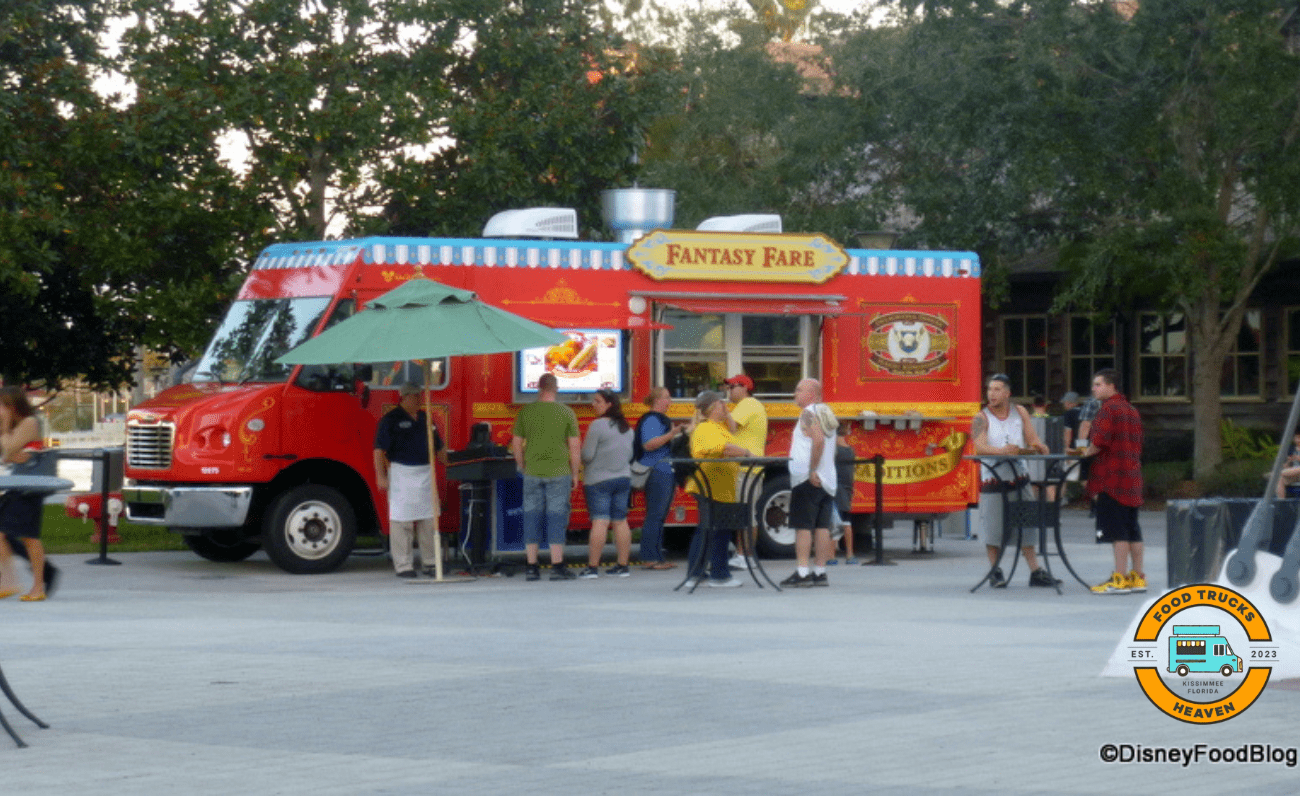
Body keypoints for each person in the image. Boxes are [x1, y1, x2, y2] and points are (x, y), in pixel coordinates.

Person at [971, 373, 1057, 588]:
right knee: (994, 527)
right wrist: (1000, 451)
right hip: (994, 477)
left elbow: (1031, 437)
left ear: (1008, 393)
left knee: (1026, 524)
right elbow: (979, 446)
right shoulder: (981, 417)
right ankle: (995, 571)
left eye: (997, 389)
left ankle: (1035, 571)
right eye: (990, 389)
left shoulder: (1019, 412)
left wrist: (1039, 445)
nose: (992, 394)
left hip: (1019, 476)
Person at [511, 372, 581, 581]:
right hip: (559, 472)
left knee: (531, 515)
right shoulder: (567, 412)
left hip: (532, 472)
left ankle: (531, 566)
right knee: (556, 517)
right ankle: (557, 565)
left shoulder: (526, 412)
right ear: (556, 389)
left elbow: (516, 443)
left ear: (538, 388)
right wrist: (575, 473)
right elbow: (574, 446)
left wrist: (522, 464)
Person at [374, 383, 448, 578]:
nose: (419, 399)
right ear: (404, 397)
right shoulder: (390, 420)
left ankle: (431, 562)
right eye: (415, 396)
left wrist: (454, 461)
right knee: (401, 522)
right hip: (401, 474)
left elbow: (439, 447)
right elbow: (378, 450)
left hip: (425, 473)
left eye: (419, 396)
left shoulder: (426, 418)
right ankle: (403, 564)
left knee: (429, 520)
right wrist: (380, 476)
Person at [1086, 368, 1146, 595]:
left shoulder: (1108, 409)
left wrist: (1084, 453)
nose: (1094, 389)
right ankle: (1138, 577)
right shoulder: (1132, 410)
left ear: (1111, 386)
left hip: (1111, 477)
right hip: (1132, 475)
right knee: (1133, 529)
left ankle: (1119, 578)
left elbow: (1098, 441)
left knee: (1117, 531)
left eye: (1098, 384)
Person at [685, 391, 749, 588]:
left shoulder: (716, 426)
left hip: (719, 488)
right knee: (716, 530)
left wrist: (727, 413)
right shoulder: (705, 428)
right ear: (713, 407)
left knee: (710, 529)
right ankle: (719, 574)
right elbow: (719, 448)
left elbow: (731, 430)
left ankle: (697, 573)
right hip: (711, 487)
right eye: (722, 403)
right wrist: (745, 452)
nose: (726, 406)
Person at [0, 387, 57, 601]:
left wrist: (5, 429)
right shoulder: (17, 426)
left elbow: (7, 450)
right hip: (17, 486)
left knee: (30, 538)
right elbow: (8, 454)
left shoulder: (29, 423)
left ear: (12, 406)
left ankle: (37, 587)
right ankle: (9, 582)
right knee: (3, 535)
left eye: (2, 405)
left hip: (29, 489)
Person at [781, 379, 839, 588]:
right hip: (828, 480)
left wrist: (812, 469)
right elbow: (832, 446)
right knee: (822, 526)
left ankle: (803, 572)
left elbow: (818, 440)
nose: (794, 394)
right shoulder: (827, 413)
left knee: (803, 526)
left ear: (812, 393)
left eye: (799, 390)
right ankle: (820, 572)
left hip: (808, 479)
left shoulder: (808, 413)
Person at [579, 390, 635, 578]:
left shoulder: (597, 425)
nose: (594, 404)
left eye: (598, 401)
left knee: (600, 521)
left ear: (609, 404)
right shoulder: (627, 428)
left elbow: (587, 455)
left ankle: (593, 568)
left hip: (598, 480)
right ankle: (623, 565)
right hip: (623, 478)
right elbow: (629, 455)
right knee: (620, 521)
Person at [634, 387, 685, 569]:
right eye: (667, 397)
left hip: (662, 470)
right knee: (655, 515)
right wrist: (672, 433)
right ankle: (651, 558)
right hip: (657, 471)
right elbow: (648, 444)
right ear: (656, 401)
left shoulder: (658, 419)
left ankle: (656, 557)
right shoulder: (652, 419)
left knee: (659, 516)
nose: (670, 400)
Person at [723, 374, 767, 570]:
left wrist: (721, 411)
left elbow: (731, 427)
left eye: (732, 387)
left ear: (744, 387)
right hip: (747, 467)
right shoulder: (748, 405)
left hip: (746, 468)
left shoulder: (748, 404)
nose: (729, 391)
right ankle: (743, 553)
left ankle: (745, 555)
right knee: (745, 512)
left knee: (746, 513)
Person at [827, 423, 858, 564]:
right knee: (846, 522)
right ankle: (850, 555)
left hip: (836, 488)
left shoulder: (834, 451)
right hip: (847, 489)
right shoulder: (850, 451)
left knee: (835, 522)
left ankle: (832, 556)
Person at [1275, 431, 1300, 499]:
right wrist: (1288, 461)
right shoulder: (1291, 449)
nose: (1298, 440)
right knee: (1280, 479)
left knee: (1280, 473)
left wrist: (1298, 458)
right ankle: (1281, 502)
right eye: (1296, 438)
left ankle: (1277, 473)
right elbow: (1287, 466)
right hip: (1294, 474)